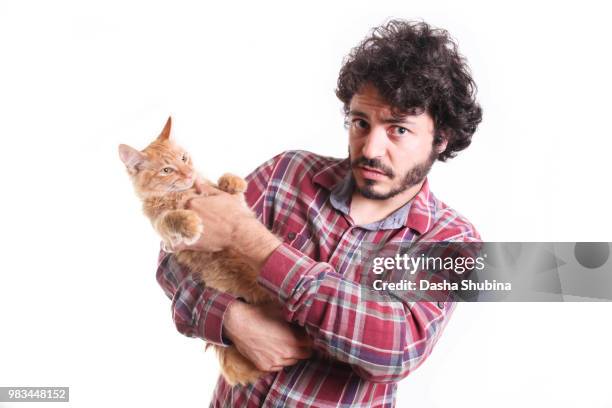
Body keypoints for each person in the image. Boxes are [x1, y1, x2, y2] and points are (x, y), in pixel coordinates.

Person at [156, 19, 482, 407]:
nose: (371, 148)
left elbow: (396, 346)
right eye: (361, 122)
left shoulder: (454, 240)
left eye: (398, 130)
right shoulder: (287, 174)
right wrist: (231, 319)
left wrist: (248, 237)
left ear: (440, 138)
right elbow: (175, 254)